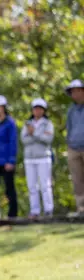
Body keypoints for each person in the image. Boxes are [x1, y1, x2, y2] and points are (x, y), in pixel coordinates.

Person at [20, 98, 55, 217]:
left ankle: (48, 209)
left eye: (40, 109)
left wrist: (33, 133)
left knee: (45, 185)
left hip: (43, 157)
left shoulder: (48, 124)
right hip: (29, 158)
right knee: (31, 186)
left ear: (44, 111)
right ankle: (34, 210)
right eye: (35, 108)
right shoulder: (28, 124)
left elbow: (48, 139)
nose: (37, 111)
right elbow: (24, 140)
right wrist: (37, 135)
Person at [65, 79, 84, 216]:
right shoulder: (71, 110)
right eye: (72, 92)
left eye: (78, 91)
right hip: (73, 148)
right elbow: (69, 128)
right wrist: (69, 144)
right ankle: (81, 208)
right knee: (77, 179)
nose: (75, 94)